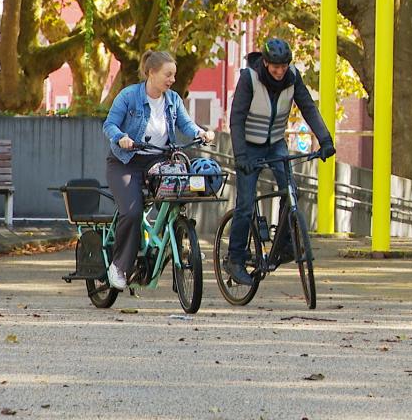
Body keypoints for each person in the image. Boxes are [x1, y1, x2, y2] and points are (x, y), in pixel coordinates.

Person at [225, 38, 336, 286]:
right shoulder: (249, 78)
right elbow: (236, 119)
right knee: (245, 203)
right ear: (265, 63)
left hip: (275, 142)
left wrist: (325, 140)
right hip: (250, 146)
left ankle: (285, 244)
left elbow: (308, 108)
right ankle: (235, 259)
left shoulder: (293, 78)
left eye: (283, 66)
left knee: (291, 191)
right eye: (275, 67)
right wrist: (240, 156)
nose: (279, 71)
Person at [103, 50, 215, 290]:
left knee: (179, 196)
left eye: (173, 75)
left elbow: (185, 123)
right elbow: (109, 124)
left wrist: (200, 133)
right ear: (151, 73)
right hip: (126, 162)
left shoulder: (173, 99)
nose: (172, 79)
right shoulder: (129, 96)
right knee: (132, 213)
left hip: (159, 162)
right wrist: (121, 137)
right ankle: (119, 265)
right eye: (168, 74)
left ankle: (184, 249)